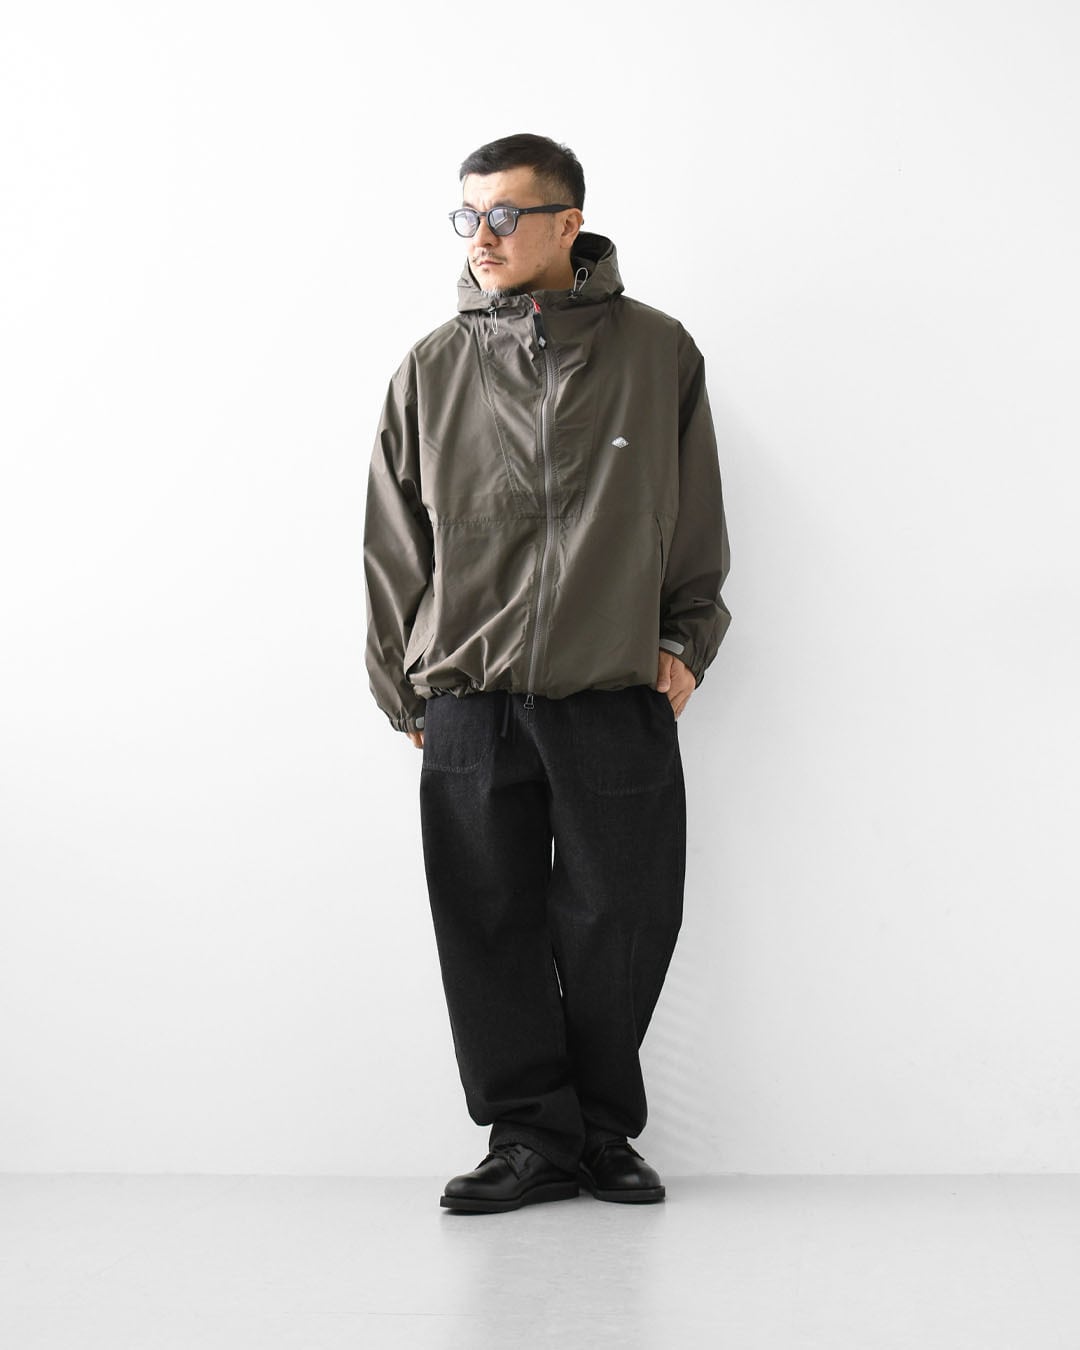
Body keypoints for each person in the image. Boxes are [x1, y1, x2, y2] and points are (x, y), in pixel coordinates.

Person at [363, 133, 731, 1213]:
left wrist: (687, 641)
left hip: (612, 689)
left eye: (504, 215)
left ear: (568, 223)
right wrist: (402, 685)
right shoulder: (432, 367)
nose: (480, 237)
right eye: (467, 215)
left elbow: (695, 513)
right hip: (469, 695)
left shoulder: (658, 352)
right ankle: (529, 1137)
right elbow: (393, 540)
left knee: (624, 916)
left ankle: (602, 1132)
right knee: (487, 920)